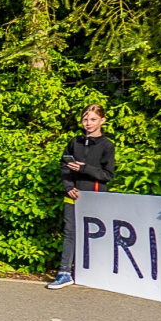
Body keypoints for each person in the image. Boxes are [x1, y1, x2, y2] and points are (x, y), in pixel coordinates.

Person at [48, 105, 115, 289]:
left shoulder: (107, 146)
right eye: (85, 119)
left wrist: (84, 168)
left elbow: (108, 175)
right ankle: (64, 273)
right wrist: (68, 186)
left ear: (102, 120)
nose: (88, 123)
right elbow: (64, 165)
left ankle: (95, 272)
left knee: (95, 234)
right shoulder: (74, 142)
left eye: (93, 119)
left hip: (95, 196)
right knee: (70, 232)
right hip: (73, 195)